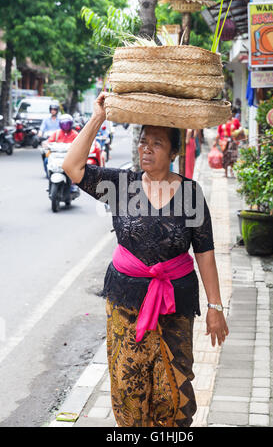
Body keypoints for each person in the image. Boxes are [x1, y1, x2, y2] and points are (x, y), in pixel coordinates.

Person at [62, 93, 229, 428]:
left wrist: (215, 307)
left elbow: (205, 252)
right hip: (125, 301)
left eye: (156, 143)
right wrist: (98, 117)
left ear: (173, 152)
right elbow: (72, 167)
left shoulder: (191, 193)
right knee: (128, 386)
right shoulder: (120, 184)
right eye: (142, 142)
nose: (146, 149)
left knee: (174, 391)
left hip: (175, 303)